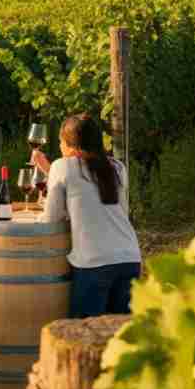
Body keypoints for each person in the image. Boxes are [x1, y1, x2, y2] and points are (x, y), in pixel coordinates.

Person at [33, 114, 141, 318]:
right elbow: (111, 208)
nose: (60, 147)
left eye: (60, 142)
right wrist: (50, 171)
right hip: (129, 258)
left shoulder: (62, 166)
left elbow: (51, 219)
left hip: (94, 265)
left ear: (70, 145)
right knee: (120, 337)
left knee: (85, 336)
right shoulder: (117, 167)